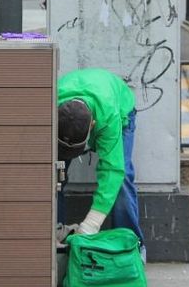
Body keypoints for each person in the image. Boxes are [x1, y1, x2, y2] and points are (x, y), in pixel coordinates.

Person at [57, 68, 145, 261]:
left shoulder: (108, 118)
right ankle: (56, 242)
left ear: (93, 125)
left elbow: (112, 170)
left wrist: (91, 225)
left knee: (121, 182)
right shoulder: (52, 102)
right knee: (54, 176)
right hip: (85, 97)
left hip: (119, 107)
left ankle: (132, 250)